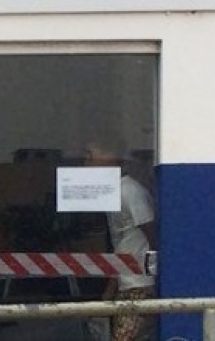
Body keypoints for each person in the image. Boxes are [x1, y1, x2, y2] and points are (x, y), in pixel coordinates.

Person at [85, 136, 157, 341]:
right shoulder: (113, 194)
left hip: (139, 286)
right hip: (126, 284)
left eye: (91, 155)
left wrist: (153, 277)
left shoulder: (130, 192)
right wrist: (110, 291)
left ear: (111, 157)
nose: (86, 163)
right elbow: (123, 246)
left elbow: (151, 234)